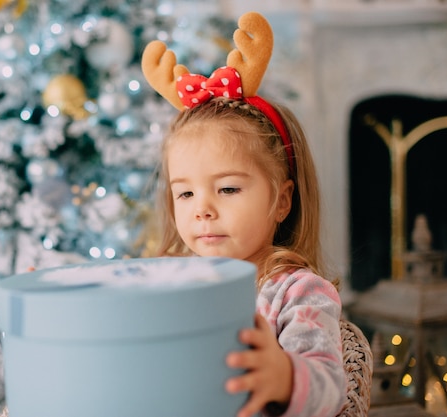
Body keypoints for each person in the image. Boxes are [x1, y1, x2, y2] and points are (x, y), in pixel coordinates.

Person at [142, 12, 348, 417]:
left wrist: (287, 376)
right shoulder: (167, 280)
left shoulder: (296, 293)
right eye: (184, 193)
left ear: (282, 201)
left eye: (229, 188)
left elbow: (332, 387)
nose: (202, 209)